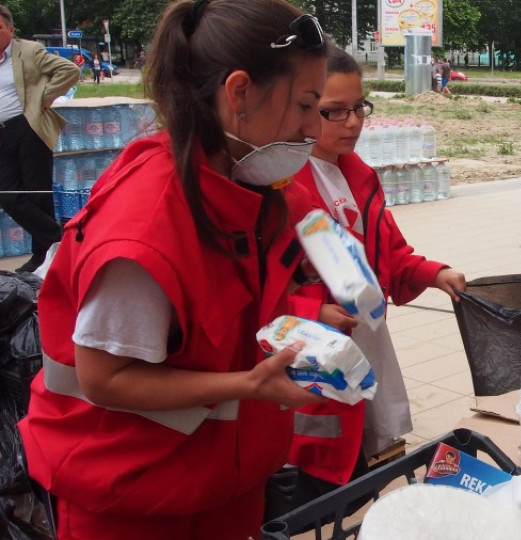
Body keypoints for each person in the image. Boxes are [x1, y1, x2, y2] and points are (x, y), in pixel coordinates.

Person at [17, 1, 329, 538]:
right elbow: (103, 376)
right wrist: (251, 383)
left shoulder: (253, 188)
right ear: (239, 94)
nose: (312, 128)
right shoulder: (144, 228)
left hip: (223, 486)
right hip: (131, 499)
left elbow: (249, 297)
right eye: (305, 104)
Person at [282, 46, 466, 519]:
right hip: (306, 368)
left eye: (358, 108)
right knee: (315, 484)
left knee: (361, 479)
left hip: (364, 347)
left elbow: (389, 253)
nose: (352, 123)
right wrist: (311, 311)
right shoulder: (283, 185)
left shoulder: (359, 176)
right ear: (301, 108)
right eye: (333, 112)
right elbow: (257, 290)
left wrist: (436, 273)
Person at [0, 5, 79, 273]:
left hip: (28, 128)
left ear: (10, 29)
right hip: (1, 134)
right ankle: (60, 240)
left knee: (37, 195)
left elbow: (69, 71)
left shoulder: (29, 51)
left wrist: (42, 98)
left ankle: (41, 257)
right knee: (7, 194)